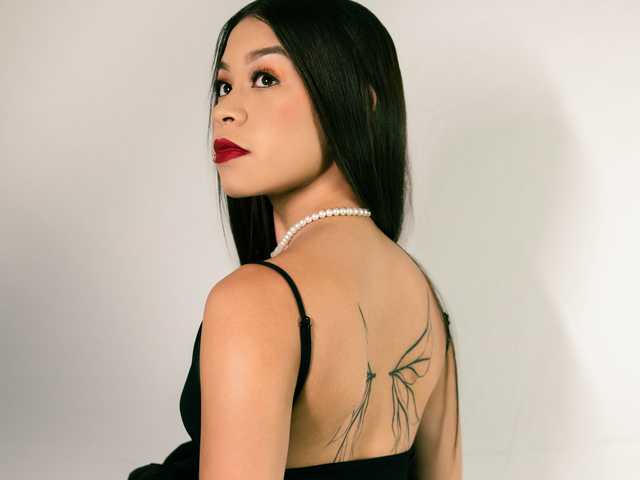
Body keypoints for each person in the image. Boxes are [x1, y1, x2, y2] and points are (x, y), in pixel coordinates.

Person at [128, 1, 461, 479]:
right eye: (224, 86)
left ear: (359, 103)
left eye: (265, 78)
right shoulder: (423, 297)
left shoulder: (255, 301)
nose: (224, 111)